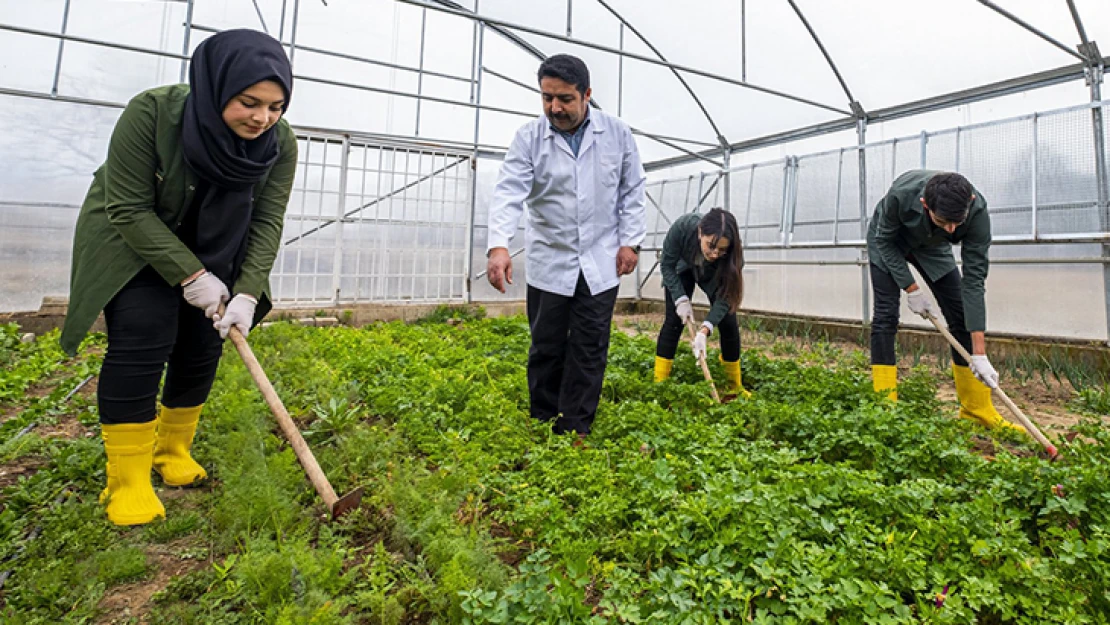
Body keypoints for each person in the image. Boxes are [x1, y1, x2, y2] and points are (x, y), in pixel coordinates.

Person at [60, 29, 298, 525]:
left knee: (203, 343)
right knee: (144, 333)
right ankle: (125, 480)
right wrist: (191, 276)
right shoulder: (151, 114)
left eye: (275, 106)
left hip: (220, 247)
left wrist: (248, 293)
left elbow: (267, 220)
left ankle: (172, 452)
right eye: (248, 102)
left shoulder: (280, 144)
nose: (262, 118)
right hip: (133, 243)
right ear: (215, 88)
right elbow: (126, 207)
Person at [486, 53, 646, 438]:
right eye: (546, 98)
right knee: (547, 345)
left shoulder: (617, 133)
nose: (554, 107)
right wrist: (498, 246)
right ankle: (543, 420)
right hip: (550, 260)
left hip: (600, 258)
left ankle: (576, 428)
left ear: (587, 94)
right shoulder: (529, 138)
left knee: (590, 348)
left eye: (564, 99)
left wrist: (631, 243)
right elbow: (509, 192)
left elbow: (633, 190)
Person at [867, 170, 1024, 432]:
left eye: (957, 222)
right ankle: (885, 407)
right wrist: (912, 288)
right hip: (889, 242)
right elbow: (884, 241)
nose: (952, 230)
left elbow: (974, 281)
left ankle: (976, 410)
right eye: (944, 221)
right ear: (925, 205)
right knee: (885, 316)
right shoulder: (901, 194)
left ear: (970, 201)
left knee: (960, 314)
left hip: (932, 248)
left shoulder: (977, 213)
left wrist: (979, 353)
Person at [653, 208, 750, 397]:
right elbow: (667, 265)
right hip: (682, 269)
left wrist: (705, 329)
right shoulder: (682, 228)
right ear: (700, 233)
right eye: (710, 245)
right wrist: (680, 298)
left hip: (713, 274)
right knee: (674, 322)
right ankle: (659, 383)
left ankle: (734, 386)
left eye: (721, 249)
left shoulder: (732, 258)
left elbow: (726, 297)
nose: (714, 253)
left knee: (728, 322)